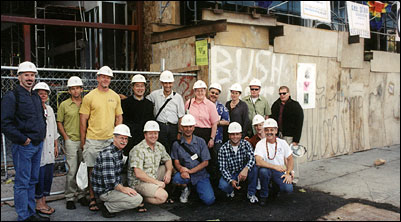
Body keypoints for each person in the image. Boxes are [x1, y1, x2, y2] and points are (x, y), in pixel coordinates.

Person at [1, 61, 48, 221]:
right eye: (26, 75)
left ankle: (30, 212)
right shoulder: (12, 96)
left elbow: (41, 117)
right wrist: (23, 139)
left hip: (37, 144)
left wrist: (41, 135)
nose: (30, 78)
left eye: (32, 75)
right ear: (19, 76)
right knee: (22, 181)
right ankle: (24, 216)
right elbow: (5, 123)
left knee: (32, 180)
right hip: (24, 146)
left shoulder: (34, 95)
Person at [79, 66, 123, 211]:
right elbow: (83, 120)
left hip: (110, 140)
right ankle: (92, 198)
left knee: (111, 170)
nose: (105, 79)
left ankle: (106, 198)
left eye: (108, 77)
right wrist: (83, 141)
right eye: (103, 76)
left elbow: (119, 117)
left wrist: (117, 135)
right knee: (92, 170)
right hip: (93, 139)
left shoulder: (115, 96)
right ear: (98, 78)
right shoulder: (89, 97)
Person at [91, 124, 144, 218]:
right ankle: (108, 207)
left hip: (111, 186)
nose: (124, 141)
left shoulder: (118, 151)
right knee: (137, 199)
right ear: (114, 138)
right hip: (105, 190)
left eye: (126, 139)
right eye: (121, 138)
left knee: (133, 184)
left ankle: (112, 200)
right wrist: (124, 189)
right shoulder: (108, 154)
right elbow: (110, 181)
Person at [57, 76, 89, 210]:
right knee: (72, 170)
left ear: (81, 89)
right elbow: (59, 122)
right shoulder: (64, 105)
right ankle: (70, 197)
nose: (75, 91)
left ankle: (82, 195)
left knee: (83, 169)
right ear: (69, 91)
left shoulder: (86, 103)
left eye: (77, 88)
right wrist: (66, 137)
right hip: (71, 140)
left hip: (85, 140)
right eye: (72, 89)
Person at [171, 114, 215, 205]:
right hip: (185, 174)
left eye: (190, 126)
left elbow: (205, 162)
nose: (188, 129)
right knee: (176, 179)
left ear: (194, 127)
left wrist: (190, 171)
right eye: (185, 127)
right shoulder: (176, 144)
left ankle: (196, 189)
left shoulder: (201, 142)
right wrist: (181, 169)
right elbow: (176, 162)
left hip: (200, 174)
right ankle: (185, 188)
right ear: (182, 128)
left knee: (209, 200)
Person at [128, 121, 173, 205]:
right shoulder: (138, 149)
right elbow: (138, 174)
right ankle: (140, 199)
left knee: (168, 168)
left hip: (152, 175)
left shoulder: (159, 146)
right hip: (139, 182)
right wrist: (157, 183)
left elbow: (168, 159)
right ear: (145, 135)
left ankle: (158, 190)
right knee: (163, 196)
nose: (153, 136)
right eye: (150, 133)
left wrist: (168, 172)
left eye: (155, 133)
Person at [185, 80, 219, 187]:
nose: (200, 92)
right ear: (194, 91)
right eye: (198, 90)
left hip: (206, 134)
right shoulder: (189, 103)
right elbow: (184, 119)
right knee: (192, 159)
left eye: (202, 90)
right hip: (192, 133)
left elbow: (214, 123)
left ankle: (210, 185)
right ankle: (191, 186)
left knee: (207, 160)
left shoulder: (210, 105)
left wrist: (212, 138)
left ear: (205, 91)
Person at [32, 82, 59, 216]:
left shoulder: (49, 109)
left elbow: (53, 128)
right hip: (39, 148)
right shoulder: (32, 108)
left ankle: (43, 200)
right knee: (39, 174)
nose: (43, 95)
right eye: (40, 93)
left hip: (49, 146)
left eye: (45, 93)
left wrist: (56, 144)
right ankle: (38, 203)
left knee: (48, 173)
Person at [254, 118, 294, 206]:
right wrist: (274, 166)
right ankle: (263, 196)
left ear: (276, 130)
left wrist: (288, 172)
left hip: (279, 171)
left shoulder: (282, 143)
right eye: (267, 130)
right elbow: (259, 161)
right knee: (263, 171)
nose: (269, 132)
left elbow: (290, 159)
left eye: (272, 130)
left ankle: (275, 189)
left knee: (288, 189)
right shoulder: (260, 144)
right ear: (264, 131)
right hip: (267, 170)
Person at [218, 122, 259, 204]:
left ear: (241, 135)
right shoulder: (223, 148)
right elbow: (223, 168)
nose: (235, 137)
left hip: (243, 170)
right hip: (231, 173)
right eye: (232, 134)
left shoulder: (246, 144)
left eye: (237, 134)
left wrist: (246, 169)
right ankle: (230, 190)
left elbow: (252, 158)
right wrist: (230, 180)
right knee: (223, 185)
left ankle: (251, 193)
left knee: (254, 168)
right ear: (229, 135)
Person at [270, 86, 304, 183]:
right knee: (280, 155)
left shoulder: (295, 106)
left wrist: (296, 139)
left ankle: (294, 178)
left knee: (291, 156)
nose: (282, 95)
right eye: (280, 93)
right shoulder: (276, 105)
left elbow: (299, 122)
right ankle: (285, 175)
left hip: (290, 135)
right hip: (278, 134)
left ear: (288, 93)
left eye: (284, 93)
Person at [146, 70, 185, 154]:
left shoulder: (178, 97)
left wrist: (179, 132)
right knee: (160, 148)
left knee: (173, 149)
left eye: (169, 83)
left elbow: (181, 116)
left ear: (173, 83)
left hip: (173, 128)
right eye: (165, 83)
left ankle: (172, 166)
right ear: (161, 83)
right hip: (160, 127)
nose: (168, 85)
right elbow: (143, 101)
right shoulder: (154, 95)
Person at [121, 74, 154, 156]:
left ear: (145, 87)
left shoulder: (149, 104)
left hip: (144, 139)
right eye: (137, 86)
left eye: (142, 86)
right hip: (130, 139)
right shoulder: (125, 103)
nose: (140, 88)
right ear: (132, 87)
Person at [207, 83, 230, 187]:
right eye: (212, 92)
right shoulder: (203, 104)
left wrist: (215, 122)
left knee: (216, 161)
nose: (214, 95)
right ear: (208, 92)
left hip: (217, 139)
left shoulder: (221, 107)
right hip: (204, 138)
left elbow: (227, 121)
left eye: (216, 93)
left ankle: (216, 185)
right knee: (205, 160)